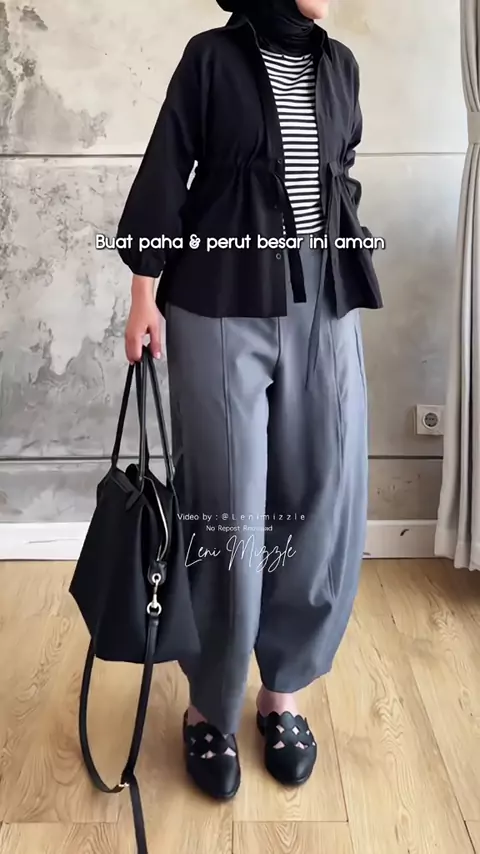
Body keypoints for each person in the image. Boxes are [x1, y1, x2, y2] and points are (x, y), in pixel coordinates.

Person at [116, 0, 382, 801]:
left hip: (322, 302)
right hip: (220, 296)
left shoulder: (340, 66)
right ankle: (210, 703)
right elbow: (168, 168)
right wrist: (143, 295)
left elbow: (339, 169)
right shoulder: (211, 57)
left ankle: (282, 691)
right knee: (226, 505)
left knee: (322, 493)